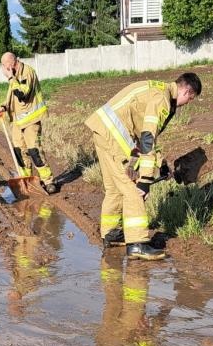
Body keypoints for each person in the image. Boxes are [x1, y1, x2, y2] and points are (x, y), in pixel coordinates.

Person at [84, 72, 202, 260]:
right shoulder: (162, 99)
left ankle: (111, 234)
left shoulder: (157, 90)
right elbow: (147, 138)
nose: (187, 104)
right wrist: (145, 179)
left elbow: (144, 136)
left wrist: (160, 163)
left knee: (114, 188)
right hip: (114, 136)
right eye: (190, 99)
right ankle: (137, 243)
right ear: (187, 92)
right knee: (133, 189)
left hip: (102, 131)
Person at [0, 51, 58, 195]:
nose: (3, 70)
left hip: (31, 120)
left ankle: (48, 181)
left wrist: (11, 77)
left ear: (10, 64)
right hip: (18, 122)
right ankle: (27, 180)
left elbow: (22, 95)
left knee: (34, 151)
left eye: (4, 66)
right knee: (19, 151)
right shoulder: (14, 76)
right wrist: (4, 106)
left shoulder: (27, 73)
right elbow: (12, 95)